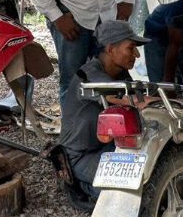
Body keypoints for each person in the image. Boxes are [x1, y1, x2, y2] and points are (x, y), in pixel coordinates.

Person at [58, 21, 151, 198]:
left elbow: (140, 95)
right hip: (78, 158)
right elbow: (131, 100)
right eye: (131, 48)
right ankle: (82, 187)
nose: (137, 54)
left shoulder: (120, 73)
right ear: (110, 49)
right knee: (128, 194)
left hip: (105, 147)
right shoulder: (89, 75)